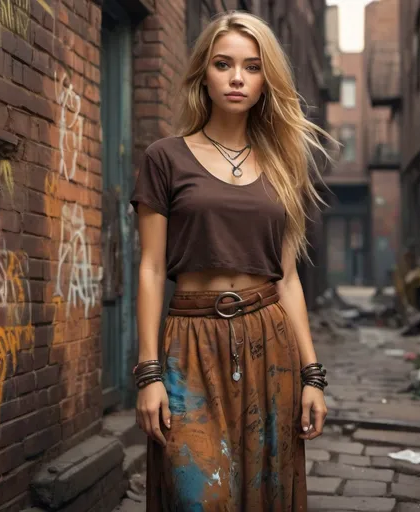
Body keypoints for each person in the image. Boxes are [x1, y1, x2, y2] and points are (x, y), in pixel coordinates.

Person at [130, 10, 332, 511]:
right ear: (204, 73)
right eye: (223, 64)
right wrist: (149, 372)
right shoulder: (165, 158)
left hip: (269, 344)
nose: (237, 77)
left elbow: (286, 278)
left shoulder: (284, 165)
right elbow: (152, 270)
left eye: (252, 66)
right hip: (189, 343)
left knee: (265, 494)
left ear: (267, 81)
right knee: (198, 495)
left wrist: (313, 376)